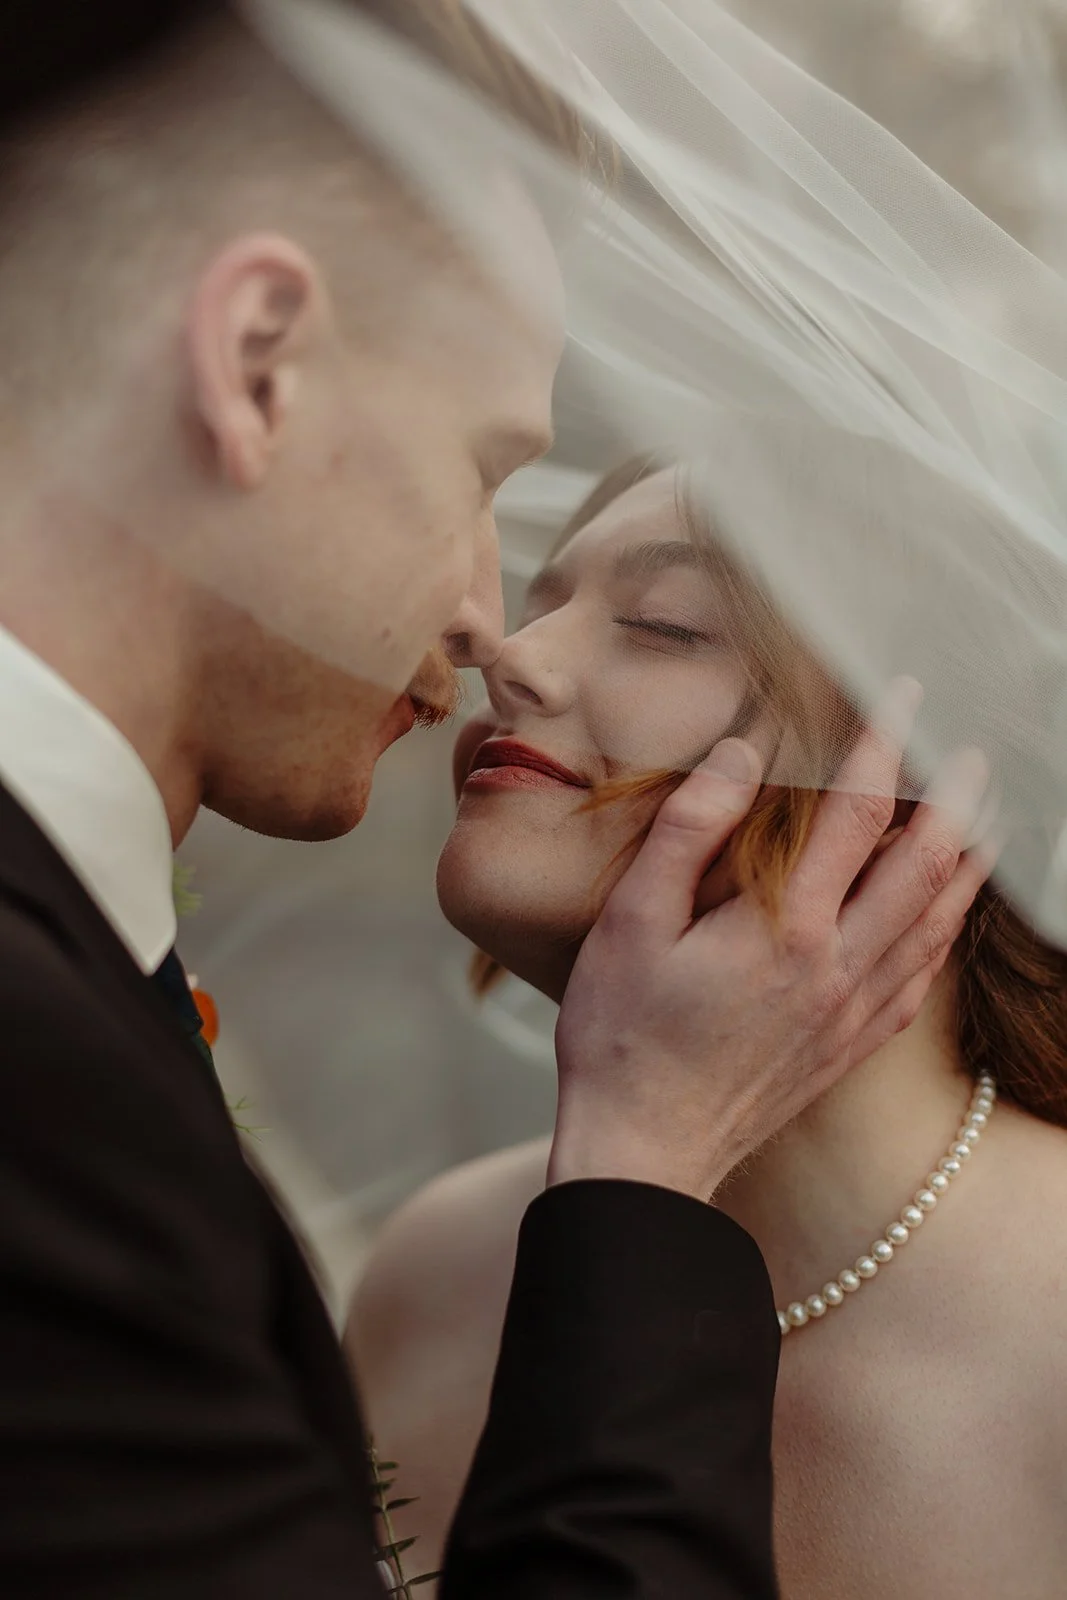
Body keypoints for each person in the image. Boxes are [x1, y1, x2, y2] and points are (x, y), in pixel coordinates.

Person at [0, 7, 987, 1599]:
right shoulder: (51, 1069)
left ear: (925, 776)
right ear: (255, 362)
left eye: (661, 622)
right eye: (480, 471)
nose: (489, 637)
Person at [347, 458, 1067, 1599]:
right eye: (542, 602)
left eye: (660, 624)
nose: (511, 659)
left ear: (925, 783)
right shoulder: (432, 1272)